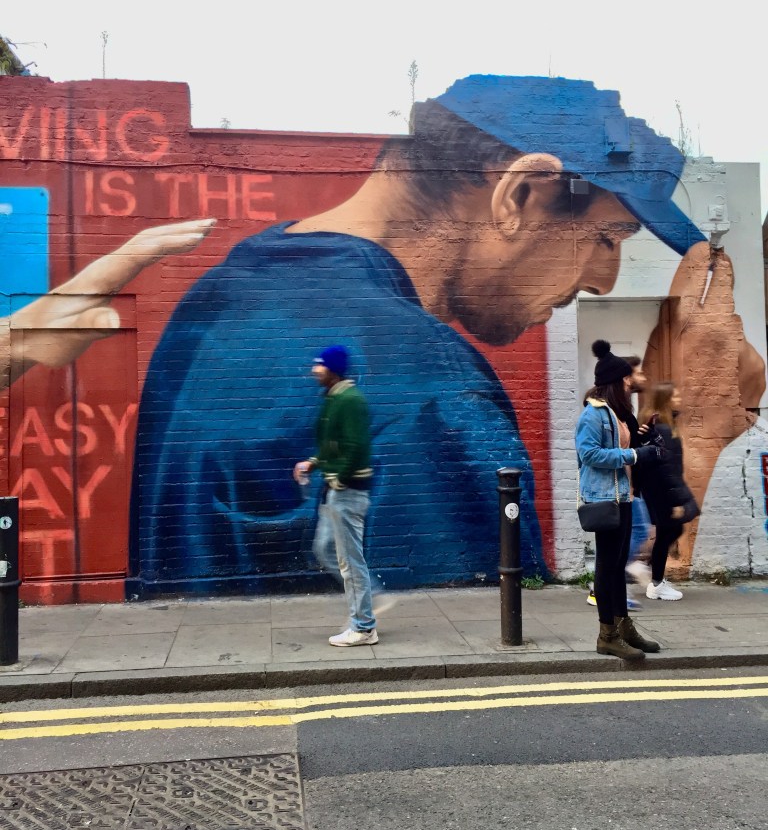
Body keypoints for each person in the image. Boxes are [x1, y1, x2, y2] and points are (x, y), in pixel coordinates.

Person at [5, 75, 758, 597]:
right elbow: (491, 636)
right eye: (606, 237)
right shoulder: (429, 386)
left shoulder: (224, 286)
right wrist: (693, 441)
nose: (603, 277)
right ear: (519, 193)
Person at [575, 340, 661, 659]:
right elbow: (589, 454)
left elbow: (623, 447)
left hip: (623, 495)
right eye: (625, 379)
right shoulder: (593, 414)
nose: (629, 383)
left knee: (618, 565)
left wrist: (644, 440)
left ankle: (624, 627)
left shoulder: (618, 414)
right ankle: (607, 635)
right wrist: (634, 455)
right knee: (607, 567)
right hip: (604, 498)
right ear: (614, 382)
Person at [293, 346, 378, 646]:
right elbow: (335, 445)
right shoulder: (334, 398)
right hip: (335, 492)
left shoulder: (350, 400)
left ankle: (364, 626)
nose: (314, 370)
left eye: (320, 365)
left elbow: (355, 447)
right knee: (325, 549)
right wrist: (313, 462)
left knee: (350, 562)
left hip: (348, 492)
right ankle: (368, 600)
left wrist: (339, 479)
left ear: (333, 369)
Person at [639, 382, 699, 600]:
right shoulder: (664, 430)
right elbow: (669, 469)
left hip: (655, 489)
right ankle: (655, 582)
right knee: (669, 532)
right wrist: (677, 500)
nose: (679, 400)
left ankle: (653, 574)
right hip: (663, 491)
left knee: (671, 531)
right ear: (664, 401)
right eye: (675, 397)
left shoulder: (658, 427)